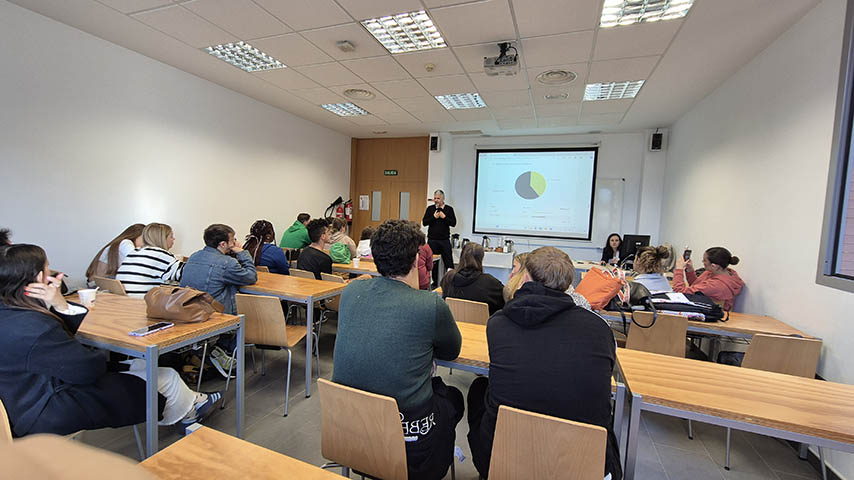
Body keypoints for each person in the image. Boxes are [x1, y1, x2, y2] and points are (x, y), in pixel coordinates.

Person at [0, 244, 221, 438]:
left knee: (144, 366)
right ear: (39, 278)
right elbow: (89, 369)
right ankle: (190, 411)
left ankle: (193, 405)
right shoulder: (33, 327)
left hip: (19, 402)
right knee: (162, 377)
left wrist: (58, 306)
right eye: (48, 268)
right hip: (47, 408)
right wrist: (62, 306)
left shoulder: (13, 315)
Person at [467, 247, 621, 480]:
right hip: (586, 465)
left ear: (525, 278)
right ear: (568, 284)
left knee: (480, 389)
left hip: (503, 457)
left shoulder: (498, 323)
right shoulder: (599, 329)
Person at [333, 220, 463, 480]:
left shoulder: (352, 290)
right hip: (408, 442)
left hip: (349, 428)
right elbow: (451, 350)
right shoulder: (430, 305)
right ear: (416, 259)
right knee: (455, 398)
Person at [180, 224, 257, 315]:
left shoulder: (194, 256)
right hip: (216, 315)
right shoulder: (227, 263)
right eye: (233, 240)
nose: (235, 243)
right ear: (223, 244)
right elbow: (251, 277)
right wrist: (242, 253)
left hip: (191, 311)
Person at [504, 252, 591, 311]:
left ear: (526, 275)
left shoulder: (520, 303)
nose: (511, 273)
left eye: (514, 267)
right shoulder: (581, 305)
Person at [116, 223, 184, 297]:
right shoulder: (159, 254)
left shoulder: (135, 252)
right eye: (171, 236)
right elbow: (187, 275)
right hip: (142, 303)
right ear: (162, 238)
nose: (174, 239)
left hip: (126, 300)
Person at [441, 243, 504, 315]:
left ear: (462, 256)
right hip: (482, 324)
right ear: (481, 258)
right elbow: (502, 302)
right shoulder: (490, 282)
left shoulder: (448, 277)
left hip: (453, 323)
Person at [673, 247, 744, 311]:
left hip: (710, 314)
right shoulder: (726, 272)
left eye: (704, 260)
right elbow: (696, 287)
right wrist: (690, 270)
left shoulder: (715, 285)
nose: (702, 262)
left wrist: (679, 269)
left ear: (713, 266)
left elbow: (679, 292)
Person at [422, 190, 456, 286]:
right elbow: (424, 222)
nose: (436, 200)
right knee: (433, 263)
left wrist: (444, 217)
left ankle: (450, 284)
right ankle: (435, 283)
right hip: (432, 240)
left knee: (449, 262)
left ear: (443, 199)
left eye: (438, 198)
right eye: (435, 198)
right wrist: (433, 217)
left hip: (444, 240)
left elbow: (453, 223)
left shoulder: (449, 209)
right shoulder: (430, 209)